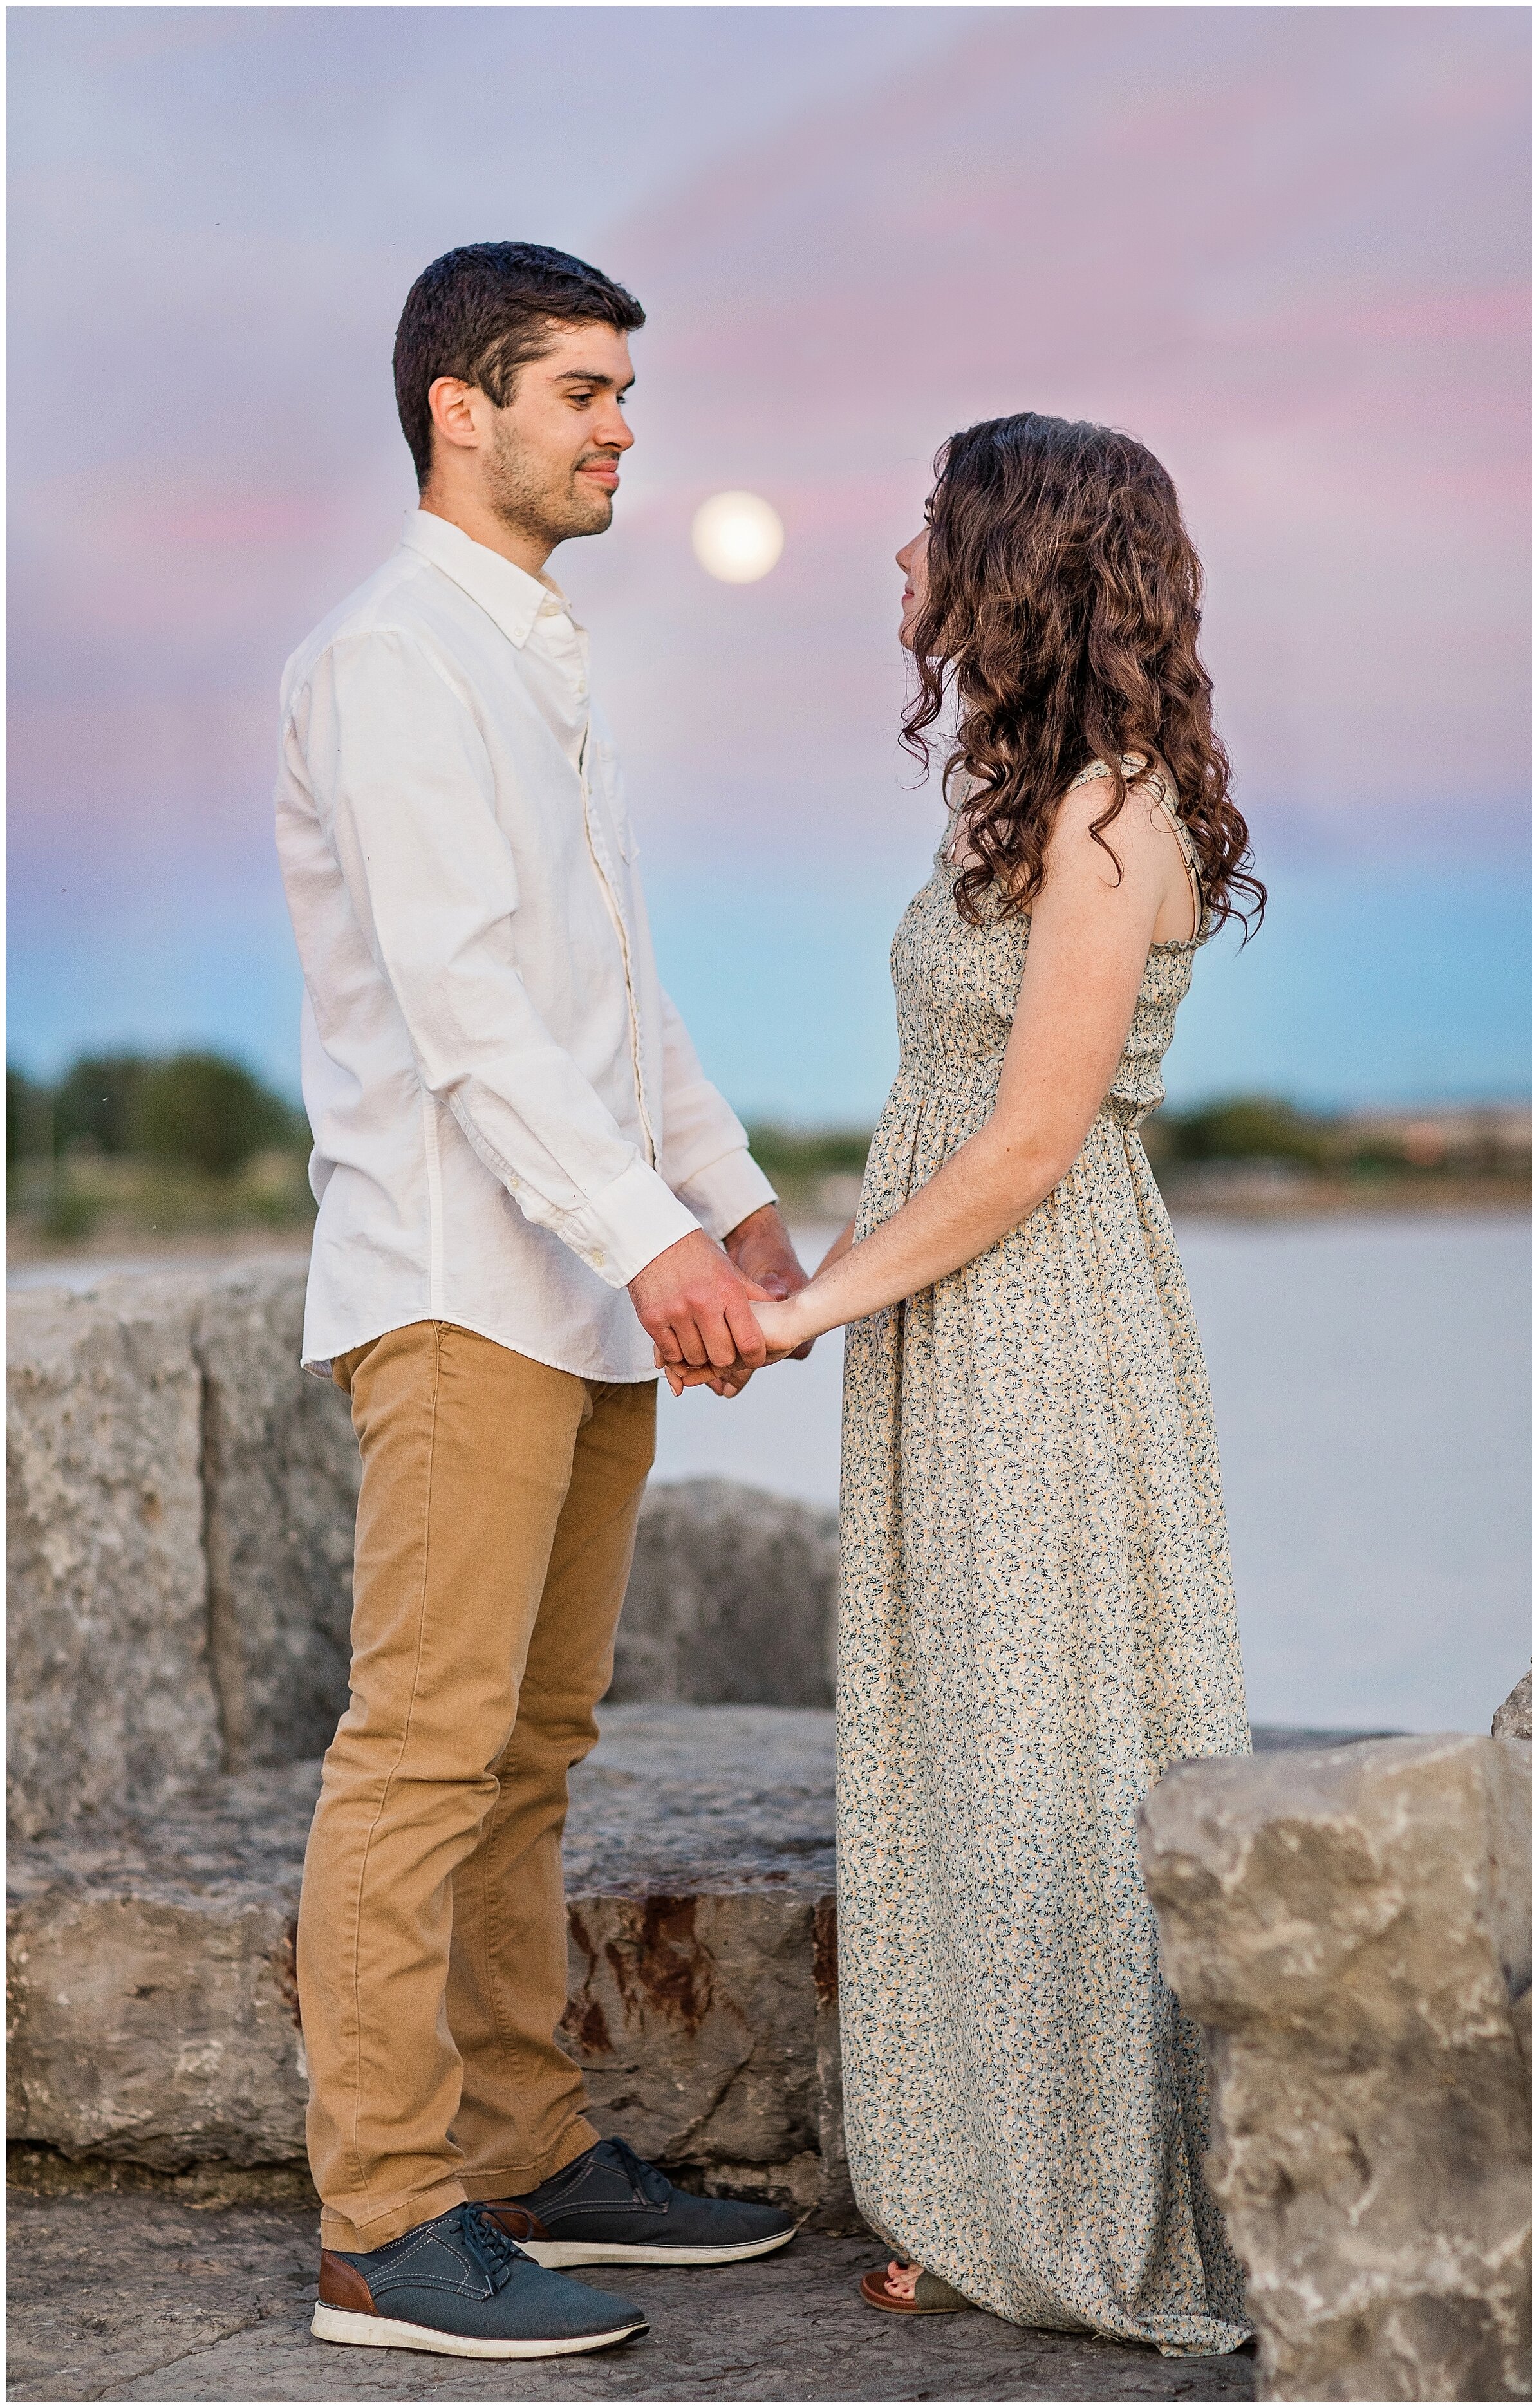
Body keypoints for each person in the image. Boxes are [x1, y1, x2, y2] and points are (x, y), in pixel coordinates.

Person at [664, 415, 1263, 2352]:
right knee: (953, 1740)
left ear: (1011, 559)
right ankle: (981, 2178)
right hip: (954, 1319)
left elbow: (1021, 1149)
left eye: (929, 526)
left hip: (1032, 1319)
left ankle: (1068, 2205)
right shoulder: (1018, 801)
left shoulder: (1109, 812)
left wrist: (805, 1310)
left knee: (1042, 1758)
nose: (898, 557)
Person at [274, 241, 809, 2363]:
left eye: (622, 396)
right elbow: (471, 1015)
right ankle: (381, 2225)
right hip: (458, 1286)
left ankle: (517, 2142)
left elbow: (613, 986)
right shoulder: (395, 659)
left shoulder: (539, 655)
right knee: (420, 1753)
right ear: (455, 408)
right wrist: (651, 1241)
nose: (618, 431)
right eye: (579, 392)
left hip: (582, 1287)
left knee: (533, 1747)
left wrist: (733, 1204)